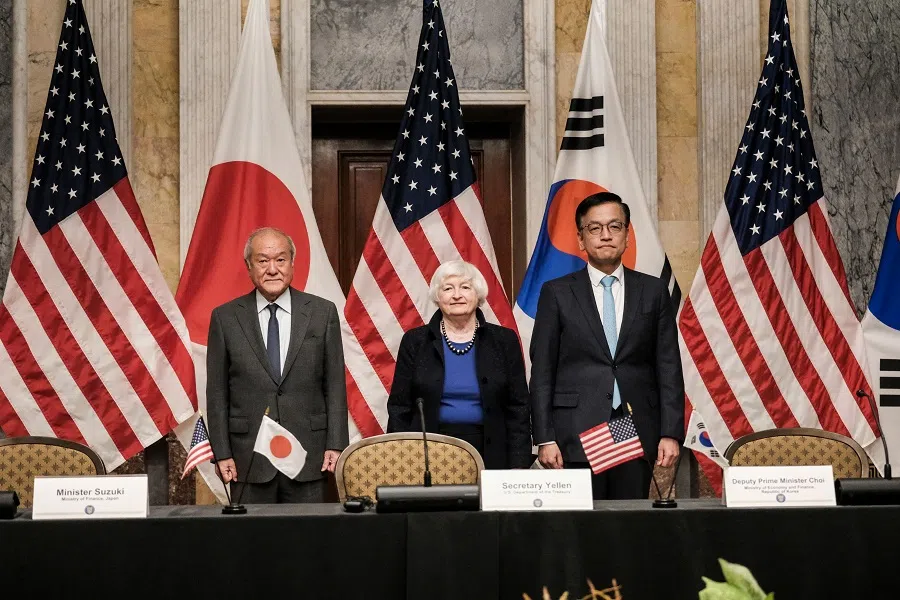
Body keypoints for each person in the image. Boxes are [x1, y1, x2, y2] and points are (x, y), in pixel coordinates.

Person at [530, 192, 684, 499]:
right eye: (595, 228)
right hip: (575, 432)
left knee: (628, 526)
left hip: (635, 425)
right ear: (581, 239)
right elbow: (543, 370)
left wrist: (671, 432)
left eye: (615, 226)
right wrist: (544, 437)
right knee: (582, 530)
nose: (605, 235)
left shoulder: (653, 291)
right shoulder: (557, 293)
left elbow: (668, 367)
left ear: (628, 235)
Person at [206, 227, 348, 503]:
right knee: (252, 542)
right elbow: (217, 392)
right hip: (248, 457)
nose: (272, 269)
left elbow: (334, 384)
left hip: (309, 454)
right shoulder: (225, 318)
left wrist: (336, 442)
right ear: (249, 267)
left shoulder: (322, 312)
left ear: (293, 264)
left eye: (280, 260)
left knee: (306, 541)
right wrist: (221, 451)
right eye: (262, 261)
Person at [387, 260, 532, 469]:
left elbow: (518, 408)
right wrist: (398, 459)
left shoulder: (503, 340)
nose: (457, 295)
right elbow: (399, 407)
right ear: (438, 297)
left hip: (492, 450)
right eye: (448, 288)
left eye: (465, 287)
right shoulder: (415, 341)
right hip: (426, 452)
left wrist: (519, 464)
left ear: (478, 294)